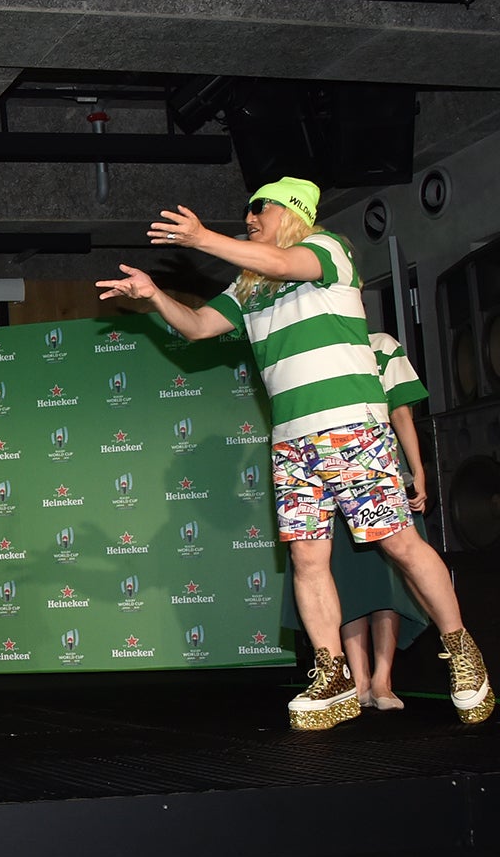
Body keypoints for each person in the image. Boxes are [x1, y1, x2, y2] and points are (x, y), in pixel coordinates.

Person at [96, 176, 491, 731]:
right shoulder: (248, 285)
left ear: (293, 211)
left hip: (349, 429)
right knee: (307, 560)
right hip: (291, 442)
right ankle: (332, 673)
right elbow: (200, 327)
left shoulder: (328, 249)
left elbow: (284, 263)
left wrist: (202, 238)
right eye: (248, 212)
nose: (250, 218)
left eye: (259, 208)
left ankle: (463, 649)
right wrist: (156, 297)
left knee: (399, 543)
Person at [277, 332, 432, 710]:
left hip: (377, 466)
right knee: (345, 580)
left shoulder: (381, 345)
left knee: (387, 581)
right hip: (327, 468)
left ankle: (383, 680)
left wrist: (416, 469)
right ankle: (357, 679)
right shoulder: (310, 346)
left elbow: (400, 412)